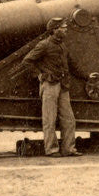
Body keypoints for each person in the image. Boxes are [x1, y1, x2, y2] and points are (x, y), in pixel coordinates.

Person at [23, 17, 82, 157]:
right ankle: (52, 150)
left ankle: (69, 149)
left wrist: (87, 76)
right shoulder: (44, 45)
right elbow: (27, 61)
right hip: (49, 85)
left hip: (62, 85)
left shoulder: (62, 45)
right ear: (55, 30)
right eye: (63, 27)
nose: (65, 29)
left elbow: (72, 65)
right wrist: (40, 75)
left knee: (69, 119)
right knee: (49, 119)